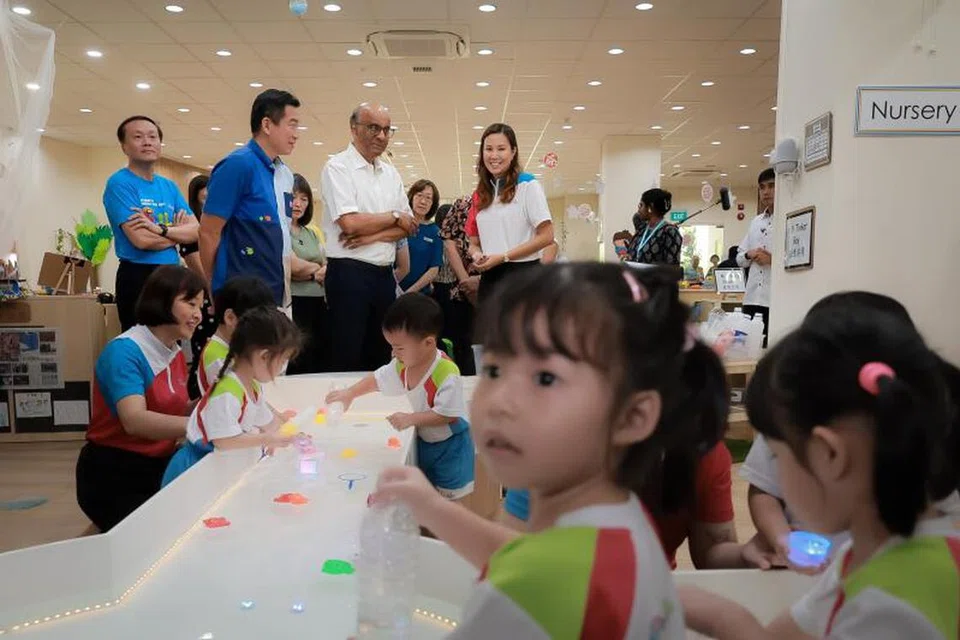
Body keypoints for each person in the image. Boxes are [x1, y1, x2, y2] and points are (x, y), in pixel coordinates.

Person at [371, 263, 728, 637]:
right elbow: (517, 554)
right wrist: (432, 507)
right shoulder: (613, 521)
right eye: (494, 370)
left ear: (631, 416)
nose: (499, 402)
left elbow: (528, 573)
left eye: (545, 378)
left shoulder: (532, 592)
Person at [680, 302, 960, 639]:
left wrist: (725, 620)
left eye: (780, 458)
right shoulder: (863, 553)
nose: (777, 477)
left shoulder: (889, 608)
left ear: (830, 455)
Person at [741, 291, 960, 572]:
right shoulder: (789, 424)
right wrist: (781, 539)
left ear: (829, 453)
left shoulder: (890, 593)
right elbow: (763, 490)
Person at [500, 440, 779, 570]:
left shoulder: (703, 454)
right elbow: (507, 555)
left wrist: (748, 553)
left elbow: (711, 552)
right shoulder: (554, 452)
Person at [76, 265, 204, 532]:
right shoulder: (125, 352)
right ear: (162, 300)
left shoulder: (174, 350)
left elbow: (176, 410)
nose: (198, 315)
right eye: (190, 303)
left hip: (156, 465)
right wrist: (201, 424)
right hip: (114, 474)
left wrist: (209, 402)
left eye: (200, 306)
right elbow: (135, 421)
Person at [326, 294, 475, 500]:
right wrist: (350, 393)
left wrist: (410, 419)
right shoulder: (403, 366)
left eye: (399, 347)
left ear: (428, 343)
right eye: (391, 347)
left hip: (451, 446)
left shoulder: (446, 372)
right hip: (426, 441)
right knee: (426, 496)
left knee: (451, 502)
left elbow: (448, 415)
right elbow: (377, 380)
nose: (394, 353)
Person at [320, 103, 417, 372]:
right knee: (347, 354)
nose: (382, 136)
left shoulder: (391, 173)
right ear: (354, 129)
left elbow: (410, 226)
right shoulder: (337, 167)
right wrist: (394, 217)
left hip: (385, 276)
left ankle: (377, 412)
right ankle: (344, 412)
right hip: (348, 274)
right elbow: (350, 224)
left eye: (387, 130)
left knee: (383, 355)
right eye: (374, 128)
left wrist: (372, 236)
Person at [161, 307, 300, 487]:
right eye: (282, 361)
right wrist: (269, 439)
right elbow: (225, 440)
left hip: (216, 468)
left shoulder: (252, 387)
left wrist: (296, 437)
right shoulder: (228, 392)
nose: (282, 367)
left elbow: (269, 423)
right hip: (192, 471)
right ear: (264, 356)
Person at [199, 89, 301, 307]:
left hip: (275, 289)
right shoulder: (238, 165)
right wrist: (212, 286)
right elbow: (209, 232)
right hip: (240, 292)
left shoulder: (284, 173)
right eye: (291, 124)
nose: (296, 133)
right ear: (267, 125)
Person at [104, 115, 199, 331]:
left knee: (171, 340)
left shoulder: (169, 186)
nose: (147, 142)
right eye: (138, 137)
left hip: (172, 274)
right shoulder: (120, 184)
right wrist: (176, 232)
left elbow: (196, 231)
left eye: (152, 136)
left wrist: (161, 230)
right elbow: (141, 240)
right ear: (124, 146)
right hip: (139, 275)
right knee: (143, 342)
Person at [465, 123, 554, 303]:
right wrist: (476, 255)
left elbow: (547, 236)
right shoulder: (480, 194)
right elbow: (473, 243)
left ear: (513, 152)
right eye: (488, 149)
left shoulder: (528, 185)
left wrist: (504, 257)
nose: (494, 155)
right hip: (490, 279)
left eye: (501, 149)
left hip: (524, 277)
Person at [195, 276, 276, 396]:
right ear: (230, 318)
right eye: (257, 325)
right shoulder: (218, 360)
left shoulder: (236, 347)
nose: (262, 333)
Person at [287, 173, 330, 374]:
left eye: (304, 199)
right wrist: (315, 273)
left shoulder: (311, 232)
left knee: (317, 355)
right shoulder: (280, 230)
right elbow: (292, 266)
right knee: (296, 357)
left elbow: (327, 264)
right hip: (294, 301)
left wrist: (311, 270)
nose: (298, 204)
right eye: (294, 197)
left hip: (318, 301)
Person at [438, 196, 479, 375]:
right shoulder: (462, 204)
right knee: (462, 344)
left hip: (490, 288)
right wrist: (466, 282)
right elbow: (449, 243)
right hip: (460, 291)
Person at [736, 168, 776, 346]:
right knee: (747, 349)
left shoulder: (786, 219)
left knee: (769, 351)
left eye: (771, 186)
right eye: (762, 187)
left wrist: (772, 261)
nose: (766, 191)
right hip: (751, 298)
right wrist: (749, 254)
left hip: (773, 300)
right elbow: (739, 258)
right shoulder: (756, 222)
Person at [398, 179, 443, 295]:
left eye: (428, 198)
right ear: (411, 197)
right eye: (419, 195)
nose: (423, 201)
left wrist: (408, 293)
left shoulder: (435, 232)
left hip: (418, 295)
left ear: (433, 203)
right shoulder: (399, 224)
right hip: (390, 289)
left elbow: (434, 269)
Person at [627, 188, 682, 271]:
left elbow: (672, 268)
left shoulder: (669, 232)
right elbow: (636, 217)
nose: (638, 209)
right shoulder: (642, 228)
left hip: (655, 282)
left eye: (641, 205)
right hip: (636, 280)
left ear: (650, 207)